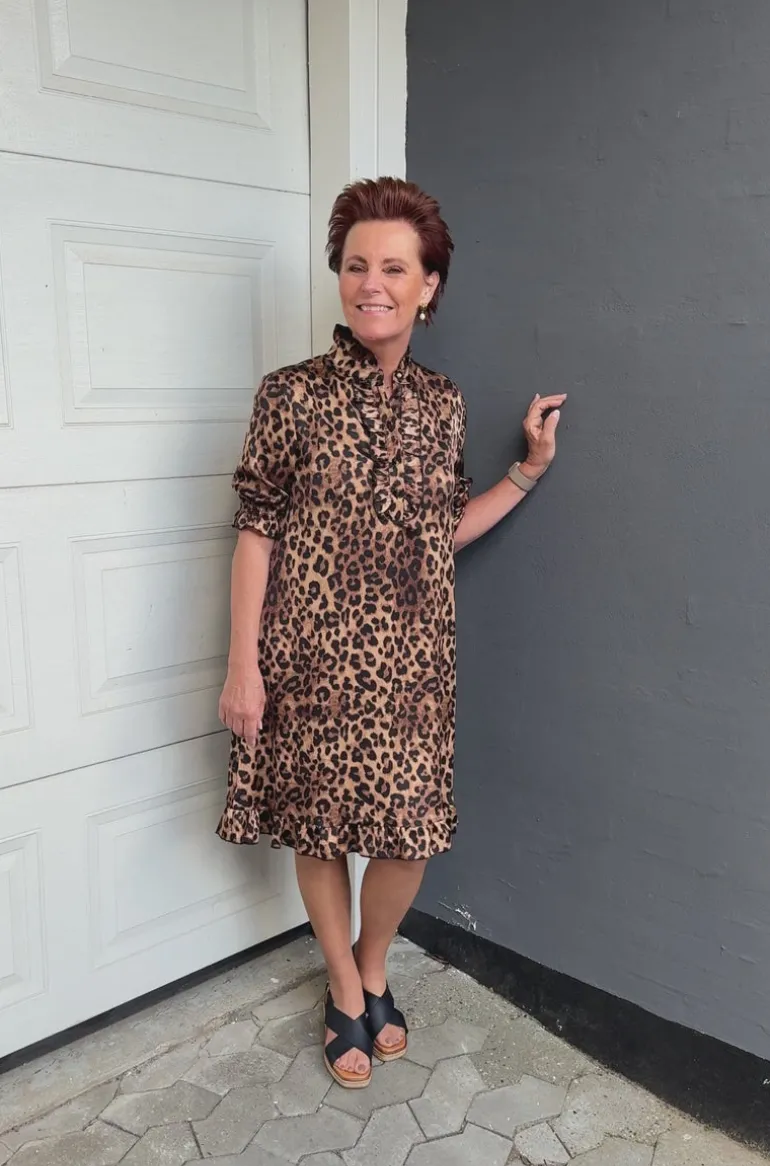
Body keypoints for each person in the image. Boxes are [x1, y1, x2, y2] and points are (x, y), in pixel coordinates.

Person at [217, 177, 565, 1089]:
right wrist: (244, 664)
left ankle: (374, 963)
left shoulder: (443, 403)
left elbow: (440, 530)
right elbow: (256, 531)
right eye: (356, 264)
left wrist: (527, 472)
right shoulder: (289, 395)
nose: (371, 282)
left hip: (414, 661)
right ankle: (344, 987)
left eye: (395, 268)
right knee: (321, 829)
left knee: (408, 835)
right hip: (307, 658)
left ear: (428, 286)